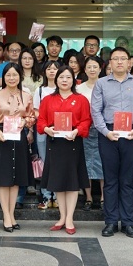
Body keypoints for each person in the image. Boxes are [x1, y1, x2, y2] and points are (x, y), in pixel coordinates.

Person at [91, 47, 133, 238]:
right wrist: (106, 132)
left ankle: (127, 223)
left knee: (127, 180)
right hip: (108, 134)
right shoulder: (101, 83)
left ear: (129, 62)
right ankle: (110, 222)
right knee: (110, 180)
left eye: (123, 59)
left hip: (131, 134)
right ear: (109, 63)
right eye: (115, 59)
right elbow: (95, 111)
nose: (119, 62)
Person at [37, 65, 92, 235]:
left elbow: (86, 120)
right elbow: (41, 121)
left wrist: (77, 131)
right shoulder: (48, 99)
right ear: (56, 80)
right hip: (55, 143)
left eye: (68, 77)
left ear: (73, 80)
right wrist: (47, 129)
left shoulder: (81, 99)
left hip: (73, 143)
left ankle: (69, 219)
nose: (64, 80)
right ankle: (62, 217)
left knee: (72, 182)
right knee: (58, 182)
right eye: (61, 77)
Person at [0, 63, 36, 232]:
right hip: (1, 137)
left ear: (20, 76)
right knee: (3, 178)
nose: (11, 78)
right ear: (3, 77)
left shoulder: (26, 95)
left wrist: (25, 121)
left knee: (16, 179)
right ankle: (6, 215)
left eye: (15, 75)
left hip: (19, 137)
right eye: (8, 75)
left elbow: (32, 116)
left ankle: (12, 214)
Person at [76, 56, 104, 211]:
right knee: (86, 162)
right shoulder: (78, 89)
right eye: (89, 67)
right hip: (85, 130)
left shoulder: (106, 85)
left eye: (95, 67)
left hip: (103, 130)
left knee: (103, 162)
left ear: (100, 69)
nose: (92, 70)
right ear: (84, 69)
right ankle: (88, 197)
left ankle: (103, 197)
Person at [33, 60, 60, 209]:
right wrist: (47, 123)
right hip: (44, 131)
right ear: (44, 72)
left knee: (57, 163)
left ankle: (57, 196)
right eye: (49, 69)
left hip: (60, 131)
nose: (52, 71)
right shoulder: (40, 90)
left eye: (55, 69)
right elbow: (36, 111)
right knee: (44, 163)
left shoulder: (63, 89)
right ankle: (46, 195)